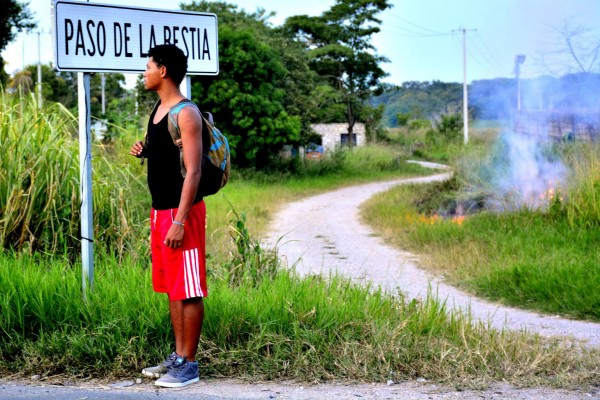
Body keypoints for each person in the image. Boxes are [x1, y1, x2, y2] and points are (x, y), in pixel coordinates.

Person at [129, 44, 206, 388]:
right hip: (161, 210)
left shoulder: (186, 113)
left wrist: (179, 220)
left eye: (147, 67)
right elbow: (163, 154)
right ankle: (178, 356)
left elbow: (194, 172)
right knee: (174, 288)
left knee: (188, 289)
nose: (143, 73)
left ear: (163, 71)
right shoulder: (159, 109)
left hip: (182, 214)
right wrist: (145, 149)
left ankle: (189, 365)